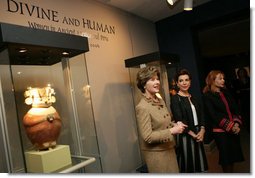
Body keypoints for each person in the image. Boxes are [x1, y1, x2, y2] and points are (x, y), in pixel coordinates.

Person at [136, 66, 187, 173]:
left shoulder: (159, 99)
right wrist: (172, 131)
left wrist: (175, 125)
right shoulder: (142, 107)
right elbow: (147, 136)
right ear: (144, 84)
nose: (157, 82)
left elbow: (163, 123)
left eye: (157, 79)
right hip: (157, 154)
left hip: (169, 148)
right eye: (152, 79)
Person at [202, 70, 244, 173]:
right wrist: (231, 126)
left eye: (223, 78)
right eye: (220, 78)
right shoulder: (207, 96)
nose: (223, 80)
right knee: (226, 159)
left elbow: (235, 109)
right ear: (212, 80)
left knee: (233, 157)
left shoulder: (226, 92)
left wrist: (237, 124)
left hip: (233, 129)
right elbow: (213, 116)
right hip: (220, 132)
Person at [170, 69, 208, 173]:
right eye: (181, 80)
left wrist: (202, 130)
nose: (184, 82)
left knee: (200, 164)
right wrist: (192, 134)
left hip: (198, 132)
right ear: (177, 83)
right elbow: (179, 119)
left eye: (187, 80)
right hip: (185, 134)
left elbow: (202, 115)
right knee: (188, 164)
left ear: (190, 82)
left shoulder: (194, 97)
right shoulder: (175, 99)